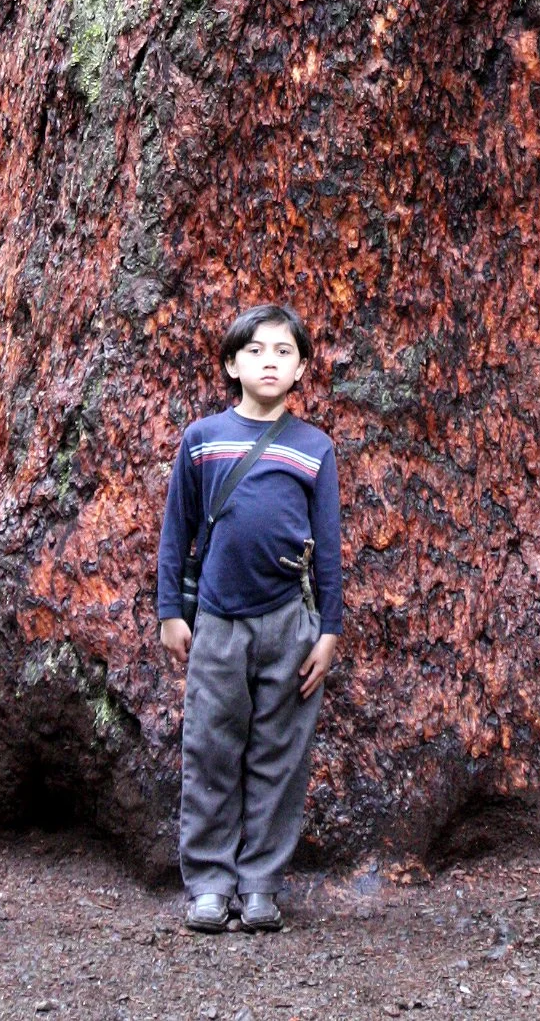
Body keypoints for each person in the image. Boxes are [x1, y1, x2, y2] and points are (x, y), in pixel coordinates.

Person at [157, 302, 342, 933]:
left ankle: (260, 883)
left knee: (279, 755)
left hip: (289, 622)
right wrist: (169, 613)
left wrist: (330, 630)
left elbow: (330, 547)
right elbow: (175, 532)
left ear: (301, 370)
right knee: (210, 748)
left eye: (285, 352)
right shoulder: (202, 439)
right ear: (233, 364)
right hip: (215, 621)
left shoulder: (315, 448)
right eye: (257, 350)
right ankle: (208, 883)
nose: (271, 361)